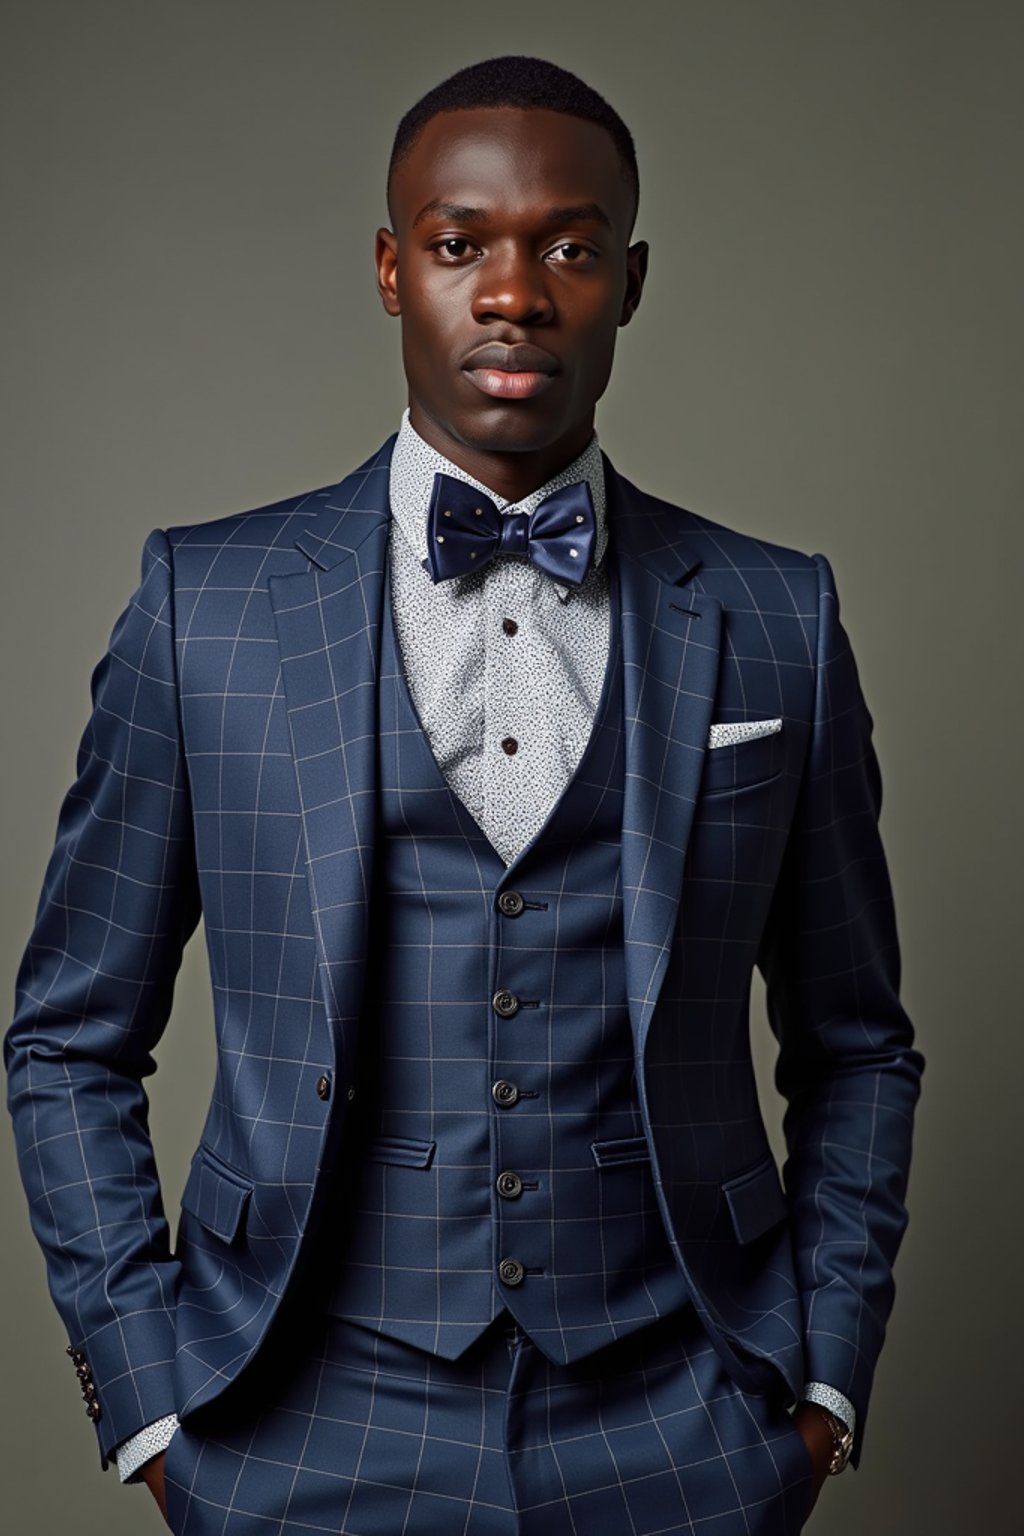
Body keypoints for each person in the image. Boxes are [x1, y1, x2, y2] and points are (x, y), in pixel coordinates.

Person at [5, 55, 923, 1536]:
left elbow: (858, 1041)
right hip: (292, 1418)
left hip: (684, 1419)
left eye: (567, 247)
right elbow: (66, 1038)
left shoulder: (777, 615)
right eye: (458, 245)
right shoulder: (207, 608)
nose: (513, 293)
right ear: (389, 268)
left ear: (630, 280)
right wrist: (151, 1397)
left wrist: (821, 1384)